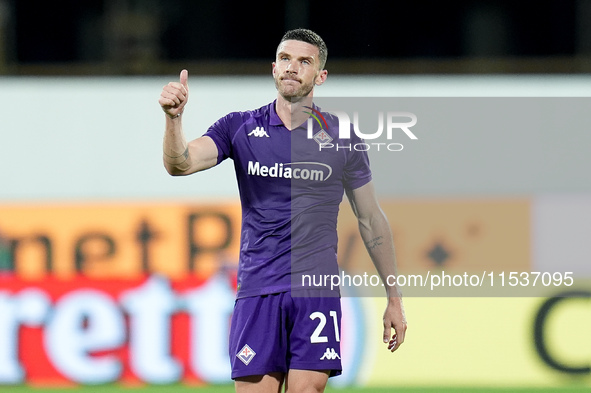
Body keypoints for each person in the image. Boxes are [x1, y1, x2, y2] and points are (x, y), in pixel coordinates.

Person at [158, 28, 407, 393]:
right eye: (286, 59)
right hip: (258, 289)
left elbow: (371, 219)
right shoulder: (239, 126)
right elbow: (180, 164)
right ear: (274, 68)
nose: (292, 67)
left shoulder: (342, 137)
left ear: (320, 76)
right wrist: (174, 120)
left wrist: (394, 297)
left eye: (304, 61)